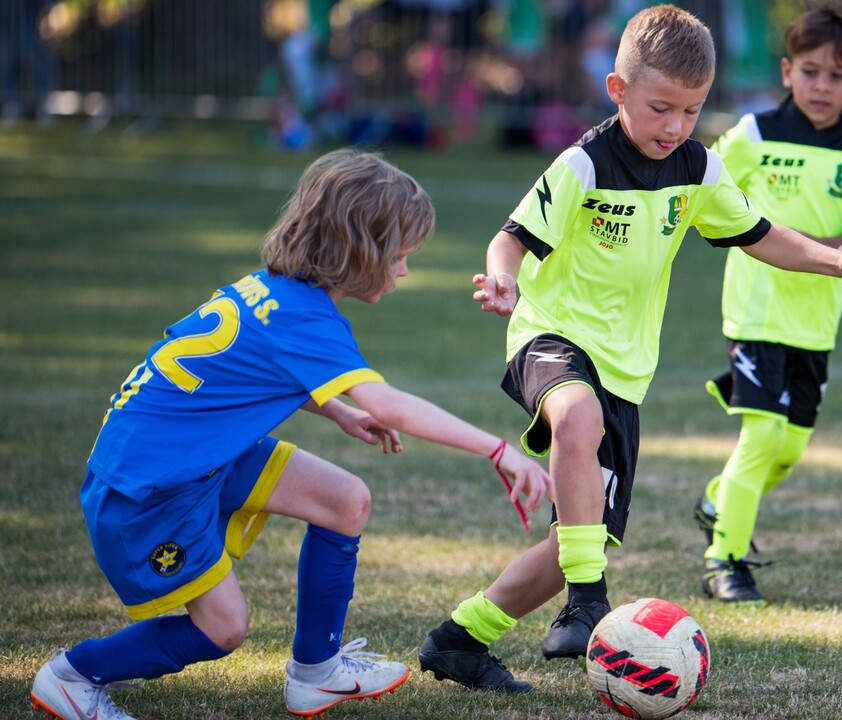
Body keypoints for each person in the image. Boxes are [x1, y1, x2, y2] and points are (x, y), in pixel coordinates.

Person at [417, 3, 842, 693]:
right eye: (661, 107)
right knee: (578, 421)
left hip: (624, 369)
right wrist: (504, 282)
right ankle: (589, 605)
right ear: (618, 90)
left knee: (576, 542)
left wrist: (834, 260)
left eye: (692, 111)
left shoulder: (696, 167)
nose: (675, 127)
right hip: (550, 333)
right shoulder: (584, 163)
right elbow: (509, 238)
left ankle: (460, 639)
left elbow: (762, 234)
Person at [29, 149, 554, 720]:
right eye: (400, 254)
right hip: (149, 488)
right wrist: (499, 450)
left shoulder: (271, 288)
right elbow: (390, 404)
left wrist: (338, 412)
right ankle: (74, 674)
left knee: (344, 500)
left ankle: (316, 673)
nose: (404, 270)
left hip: (192, 457)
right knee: (224, 630)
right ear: (361, 249)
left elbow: (253, 370)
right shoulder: (307, 317)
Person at [692, 2, 842, 606]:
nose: (822, 86)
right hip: (754, 311)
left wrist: (829, 252)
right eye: (810, 71)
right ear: (786, 71)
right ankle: (724, 560)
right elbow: (706, 196)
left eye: (837, 75)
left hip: (816, 321)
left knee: (789, 447)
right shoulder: (750, 137)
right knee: (762, 435)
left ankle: (718, 500)